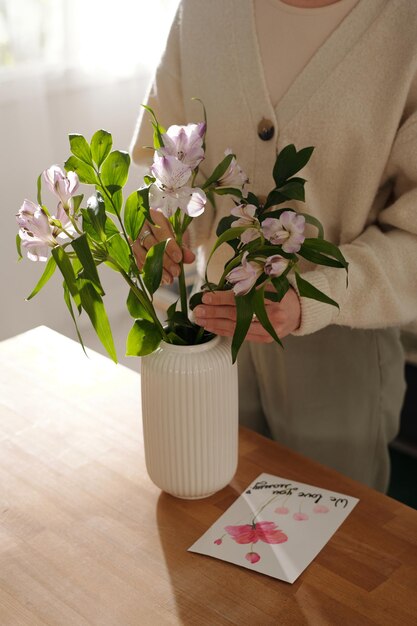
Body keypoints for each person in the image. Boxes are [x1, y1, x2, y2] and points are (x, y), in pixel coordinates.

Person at [130, 0, 417, 492]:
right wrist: (167, 219)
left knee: (332, 552)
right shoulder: (204, 11)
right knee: (210, 519)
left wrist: (315, 294)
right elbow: (174, 150)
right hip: (215, 334)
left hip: (340, 351)